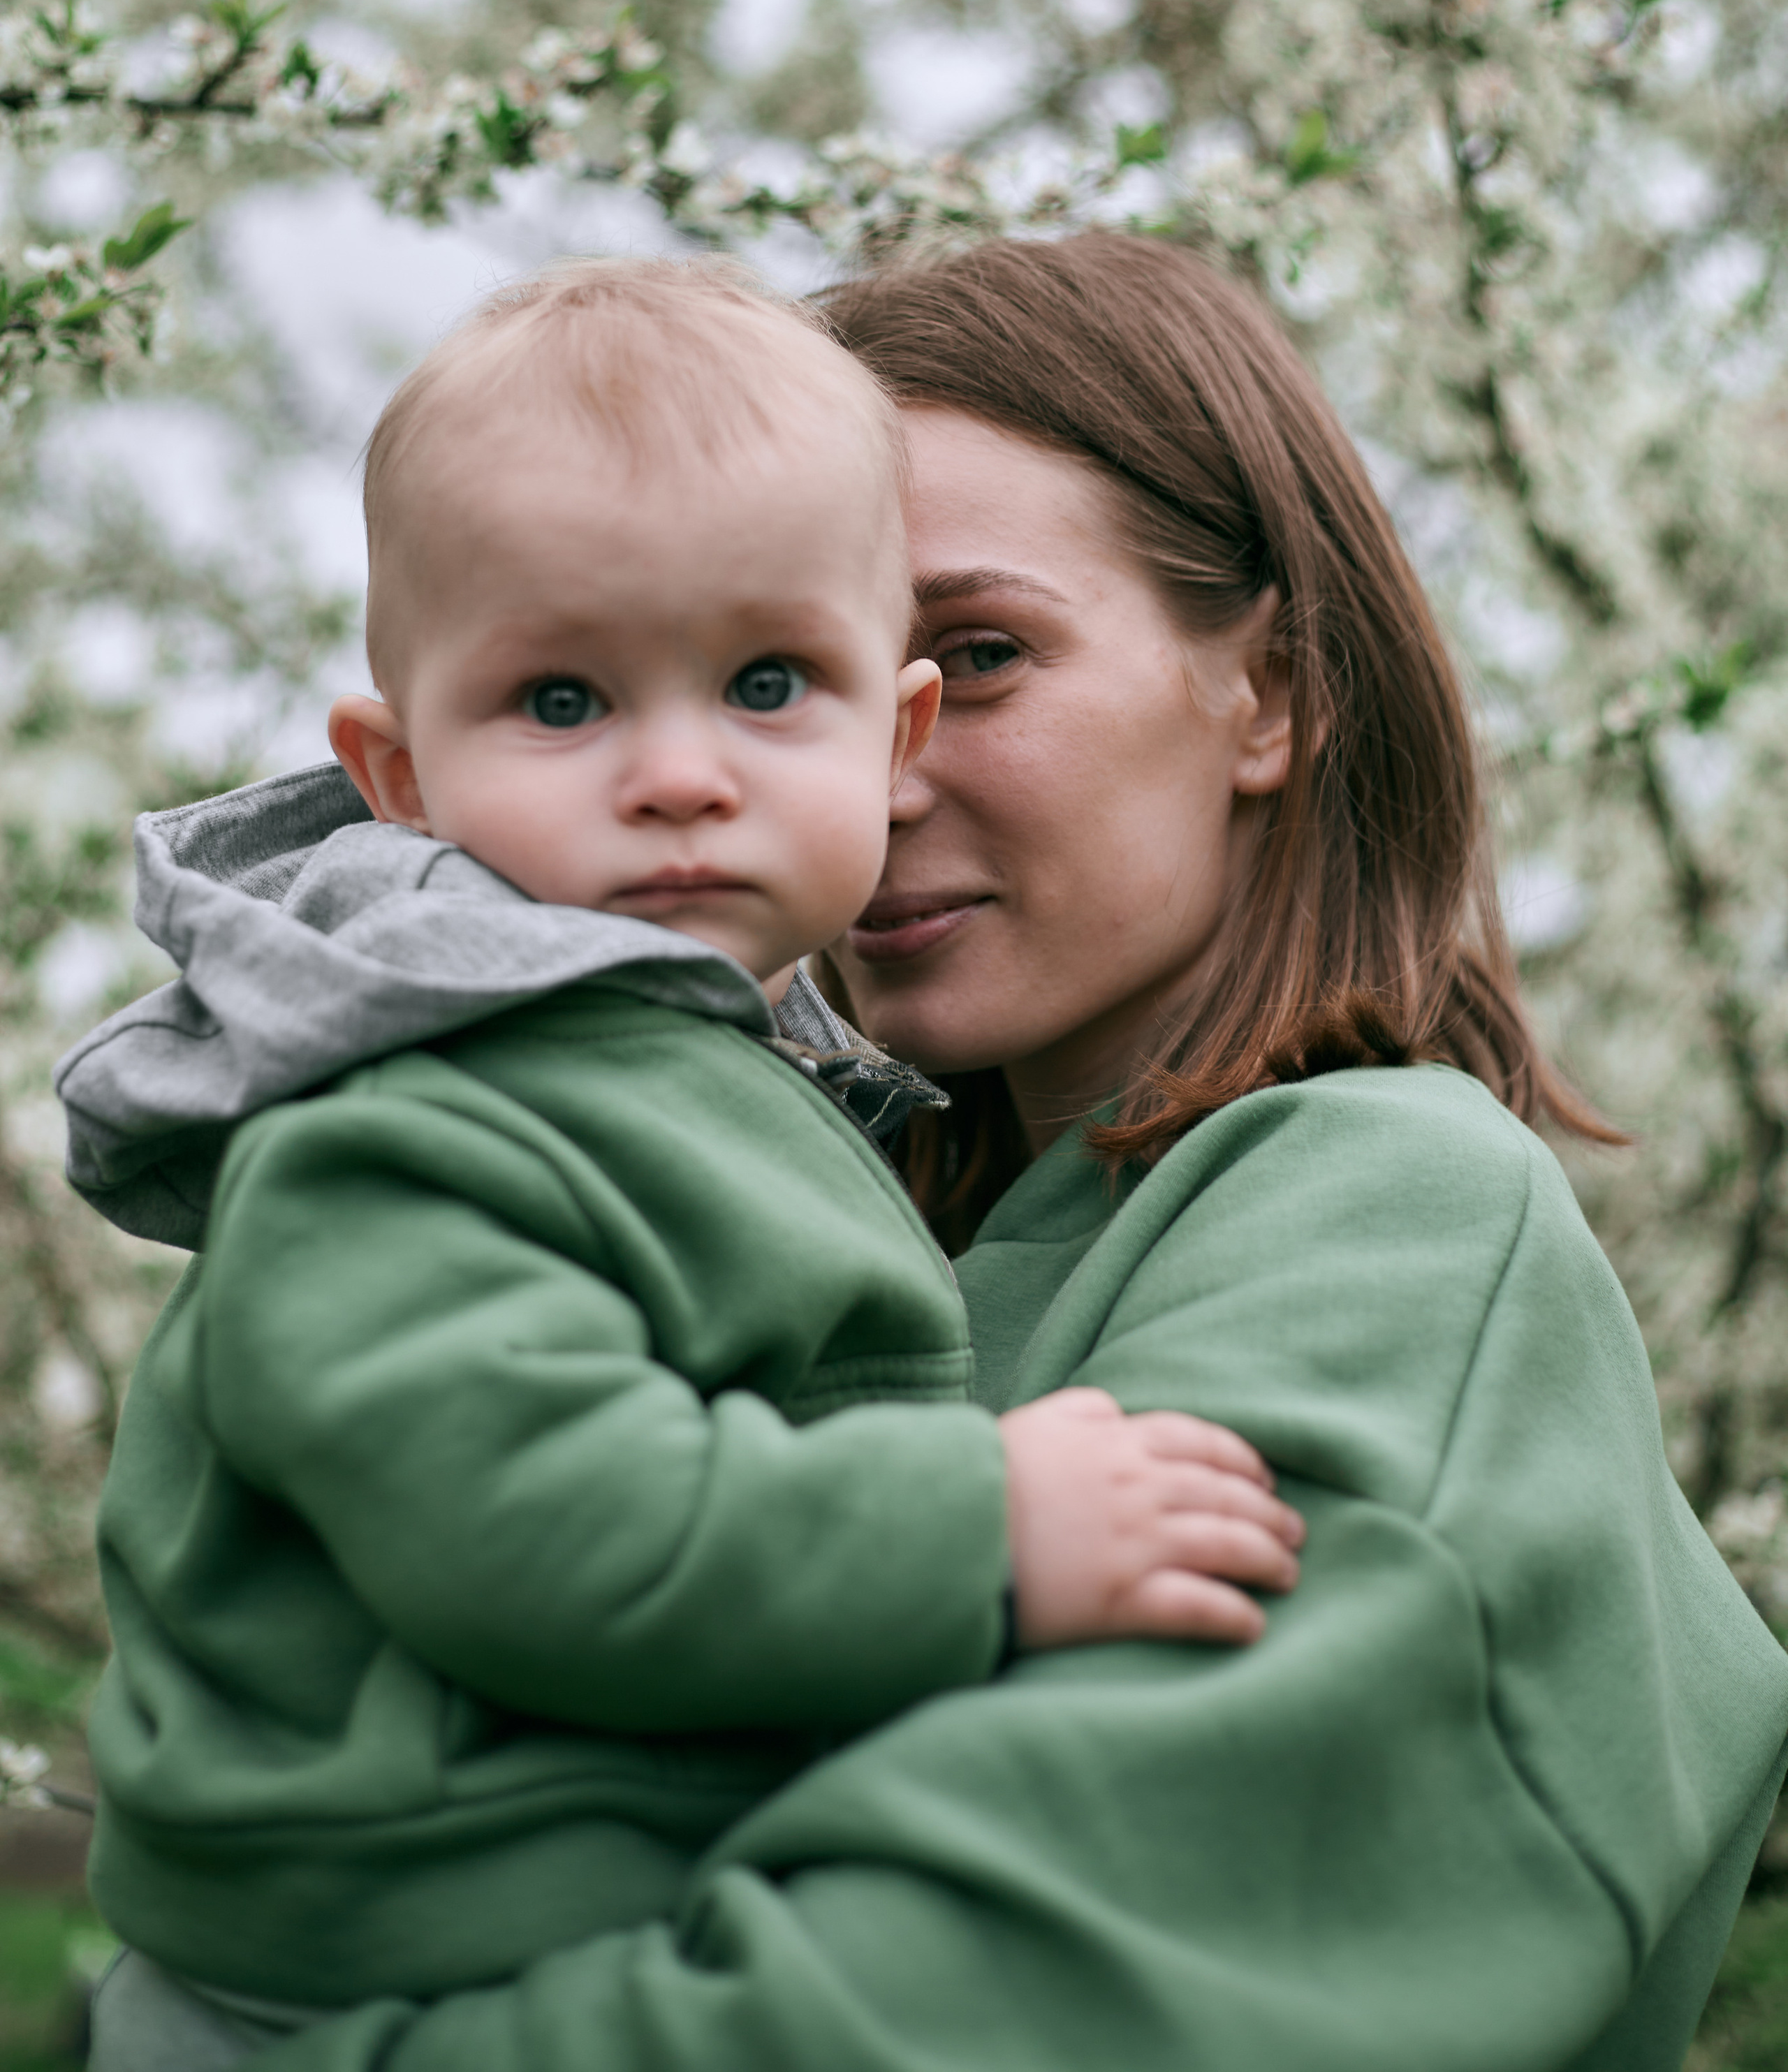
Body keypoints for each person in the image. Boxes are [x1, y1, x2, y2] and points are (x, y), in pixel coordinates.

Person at [240, 233, 1788, 2072]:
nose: (868, 781)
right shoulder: (750, 1238)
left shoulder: (1397, 1224)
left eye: (976, 658)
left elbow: (971, 2007)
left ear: (1270, 693)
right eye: (781, 672)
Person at [60, 256, 1301, 2072]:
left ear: (895, 737)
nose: (677, 774)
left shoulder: (680, 1069)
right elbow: (537, 1528)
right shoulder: (419, 1108)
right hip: (376, 1964)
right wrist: (982, 1531)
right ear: (400, 776)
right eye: (563, 701)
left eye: (766, 683)